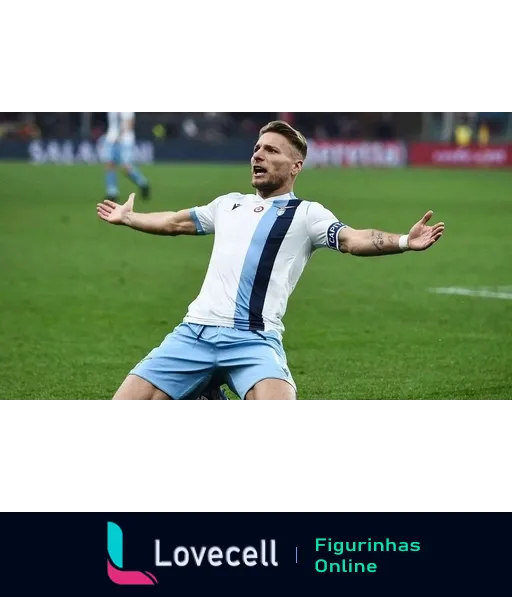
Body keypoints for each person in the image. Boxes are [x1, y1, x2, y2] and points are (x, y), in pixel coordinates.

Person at [96, 120, 445, 400]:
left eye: (271, 150)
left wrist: (403, 241)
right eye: (257, 148)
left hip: (254, 340)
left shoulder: (307, 214)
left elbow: (354, 240)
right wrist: (129, 218)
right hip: (194, 334)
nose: (258, 156)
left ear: (296, 166)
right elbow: (175, 222)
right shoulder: (229, 204)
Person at [100, 112, 150, 202]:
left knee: (126, 167)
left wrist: (120, 136)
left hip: (125, 140)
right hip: (111, 139)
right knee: (109, 164)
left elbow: (129, 123)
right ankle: (112, 193)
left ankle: (143, 182)